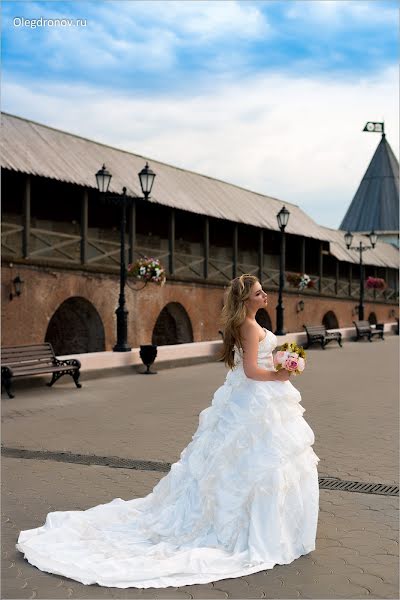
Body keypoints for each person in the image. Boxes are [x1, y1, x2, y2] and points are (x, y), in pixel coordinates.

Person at [16, 274, 320, 589]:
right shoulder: (247, 326)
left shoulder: (251, 324)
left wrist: (285, 362)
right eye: (259, 293)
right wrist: (281, 373)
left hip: (258, 400)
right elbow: (252, 371)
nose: (265, 295)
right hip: (255, 398)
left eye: (263, 291)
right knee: (250, 462)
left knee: (264, 462)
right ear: (246, 300)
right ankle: (253, 529)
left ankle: (278, 527)